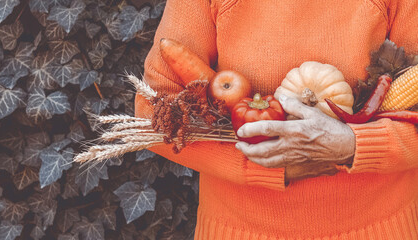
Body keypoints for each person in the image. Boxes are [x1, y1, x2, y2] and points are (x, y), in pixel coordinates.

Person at [134, 0, 418, 239]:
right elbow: (153, 114)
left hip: (379, 228)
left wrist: (354, 146)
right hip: (239, 230)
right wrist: (259, 164)